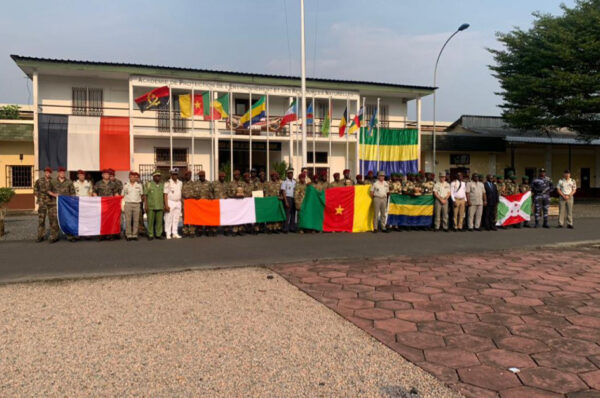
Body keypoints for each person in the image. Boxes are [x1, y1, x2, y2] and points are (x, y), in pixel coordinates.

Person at [48, 167, 75, 242]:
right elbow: (48, 191)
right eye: (61, 172)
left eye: (63, 172)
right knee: (54, 221)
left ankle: (70, 236)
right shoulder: (53, 181)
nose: (62, 173)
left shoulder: (69, 182)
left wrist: (71, 201)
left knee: (67, 219)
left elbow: (73, 193)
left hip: (66, 205)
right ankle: (54, 236)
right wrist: (54, 194)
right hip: (55, 204)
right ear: (58, 173)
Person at [34, 167, 55, 242]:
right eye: (46, 172)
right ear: (44, 173)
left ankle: (52, 236)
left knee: (52, 220)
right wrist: (38, 195)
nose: (47, 173)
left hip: (51, 202)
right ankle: (40, 236)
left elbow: (56, 190)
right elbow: (35, 189)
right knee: (41, 220)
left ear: (50, 173)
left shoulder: (53, 181)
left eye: (49, 172)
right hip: (42, 202)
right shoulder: (39, 181)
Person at [122, 171, 144, 241]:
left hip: (137, 204)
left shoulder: (139, 186)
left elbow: (142, 195)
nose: (132, 178)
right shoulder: (125, 185)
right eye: (131, 177)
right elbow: (122, 195)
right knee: (128, 220)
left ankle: (134, 235)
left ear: (136, 178)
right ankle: (128, 235)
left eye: (134, 177)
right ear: (129, 177)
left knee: (136, 220)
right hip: (128, 204)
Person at [144, 170, 165, 240]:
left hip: (160, 205)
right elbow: (145, 195)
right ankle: (150, 234)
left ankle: (158, 234)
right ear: (153, 177)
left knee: (159, 221)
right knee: (150, 221)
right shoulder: (148, 184)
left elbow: (164, 195)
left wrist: (165, 205)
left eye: (159, 176)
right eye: (156, 176)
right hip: (151, 206)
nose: (158, 177)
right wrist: (145, 205)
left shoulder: (162, 184)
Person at [163, 169, 183, 239]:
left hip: (178, 202)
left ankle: (174, 232)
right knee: (168, 218)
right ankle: (168, 233)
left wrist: (180, 202)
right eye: (174, 174)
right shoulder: (167, 183)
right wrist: (166, 205)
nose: (175, 176)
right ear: (171, 175)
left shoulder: (180, 183)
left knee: (176, 218)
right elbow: (165, 194)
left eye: (176, 174)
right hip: (170, 201)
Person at [194, 170, 213, 236]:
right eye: (200, 176)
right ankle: (199, 230)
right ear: (199, 176)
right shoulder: (196, 183)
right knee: (199, 217)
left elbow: (211, 193)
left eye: (203, 176)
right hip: (199, 204)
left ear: (205, 176)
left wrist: (211, 201)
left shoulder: (208, 183)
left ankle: (207, 230)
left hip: (206, 203)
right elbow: (194, 193)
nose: (202, 177)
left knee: (207, 217)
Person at [211, 171, 230, 235]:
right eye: (221, 176)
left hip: (224, 204)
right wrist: (212, 198)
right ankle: (214, 230)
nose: (222, 178)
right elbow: (210, 192)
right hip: (216, 203)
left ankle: (226, 230)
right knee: (215, 217)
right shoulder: (214, 183)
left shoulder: (226, 184)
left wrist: (227, 197)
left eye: (224, 177)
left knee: (225, 217)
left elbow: (228, 193)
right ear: (219, 177)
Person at [228, 170, 246, 236]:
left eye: (238, 175)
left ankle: (241, 229)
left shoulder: (243, 183)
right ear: (233, 176)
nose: (237, 176)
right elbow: (228, 193)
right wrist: (233, 196)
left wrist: (243, 195)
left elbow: (246, 192)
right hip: (234, 202)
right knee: (235, 216)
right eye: (235, 175)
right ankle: (235, 230)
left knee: (241, 216)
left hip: (241, 202)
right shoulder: (230, 183)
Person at [281, 168, 297, 233]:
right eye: (289, 173)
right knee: (287, 214)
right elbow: (283, 192)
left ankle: (292, 228)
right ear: (287, 174)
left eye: (292, 173)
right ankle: (285, 228)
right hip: (288, 198)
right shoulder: (284, 182)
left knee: (293, 213)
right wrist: (286, 201)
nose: (291, 174)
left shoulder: (295, 181)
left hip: (294, 198)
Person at [181, 171, 196, 238]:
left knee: (192, 217)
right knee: (184, 218)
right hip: (184, 203)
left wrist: (190, 196)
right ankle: (185, 231)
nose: (188, 176)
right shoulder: (182, 184)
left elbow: (197, 194)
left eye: (189, 175)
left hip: (191, 203)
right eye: (186, 175)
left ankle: (192, 231)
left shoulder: (193, 184)